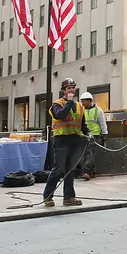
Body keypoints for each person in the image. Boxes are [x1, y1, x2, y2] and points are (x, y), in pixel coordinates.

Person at [42, 78, 89, 207]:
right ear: (63, 90)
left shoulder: (79, 106)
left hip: (75, 139)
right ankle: (48, 196)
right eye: (68, 88)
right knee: (58, 169)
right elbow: (60, 115)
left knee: (70, 170)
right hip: (62, 140)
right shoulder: (57, 104)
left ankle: (68, 197)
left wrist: (88, 133)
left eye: (73, 87)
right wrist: (68, 103)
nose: (71, 90)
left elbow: (82, 123)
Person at [80, 92, 108, 180]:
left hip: (94, 135)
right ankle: (92, 171)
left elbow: (102, 123)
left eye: (84, 101)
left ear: (89, 101)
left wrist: (104, 134)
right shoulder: (82, 110)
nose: (82, 103)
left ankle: (86, 172)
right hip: (84, 135)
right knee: (86, 154)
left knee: (90, 154)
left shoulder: (98, 110)